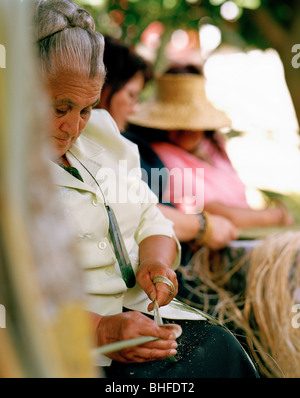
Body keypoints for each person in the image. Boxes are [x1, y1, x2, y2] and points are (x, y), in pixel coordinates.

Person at [33, 0, 258, 378]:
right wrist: (100, 331)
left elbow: (152, 220)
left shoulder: (104, 138)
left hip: (138, 322)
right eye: (60, 108)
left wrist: (156, 263)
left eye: (86, 109)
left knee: (222, 348)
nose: (73, 128)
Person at [98, 36, 238, 255]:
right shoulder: (102, 150)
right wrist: (203, 226)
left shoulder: (213, 150)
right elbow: (131, 210)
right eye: (131, 95)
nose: (134, 109)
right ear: (102, 88)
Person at [127, 72, 294, 231]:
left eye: (193, 124)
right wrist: (275, 216)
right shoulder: (163, 157)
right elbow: (220, 214)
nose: (190, 131)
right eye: (181, 124)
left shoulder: (210, 147)